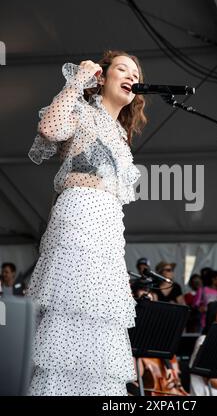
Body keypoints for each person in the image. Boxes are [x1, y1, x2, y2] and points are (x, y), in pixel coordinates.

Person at [26, 50, 147, 396]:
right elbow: (50, 128)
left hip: (109, 224)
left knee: (100, 317)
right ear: (103, 77)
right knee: (71, 308)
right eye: (122, 69)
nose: (130, 76)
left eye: (135, 74)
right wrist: (78, 80)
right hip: (80, 214)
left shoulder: (121, 135)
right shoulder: (83, 110)